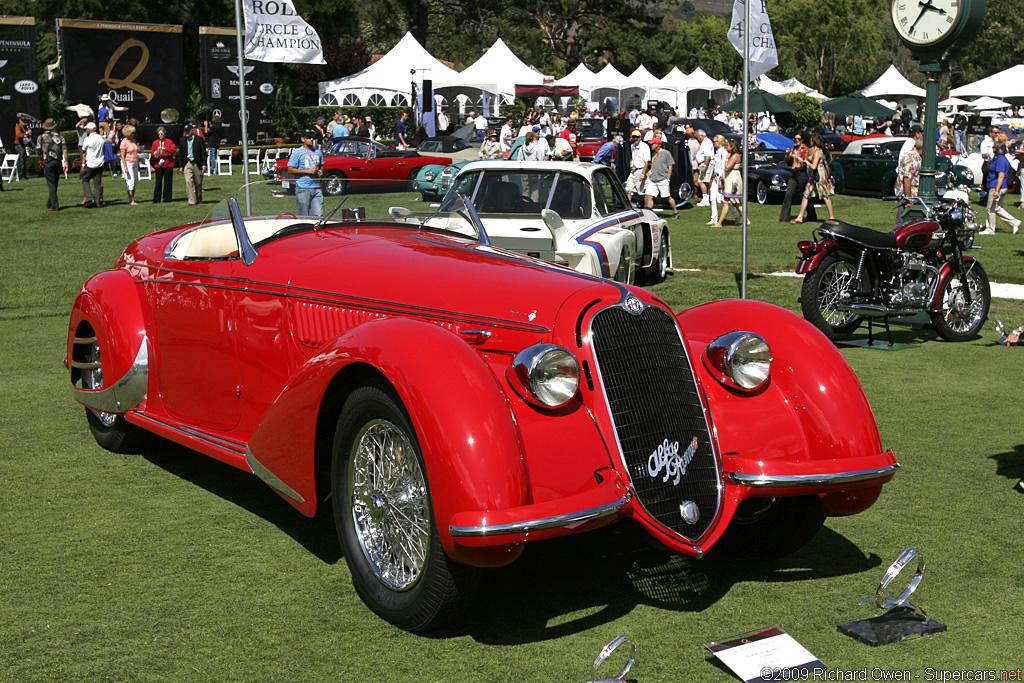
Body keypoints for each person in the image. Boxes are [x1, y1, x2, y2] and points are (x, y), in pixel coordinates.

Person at [980, 141, 1022, 235]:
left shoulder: (1000, 160)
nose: (992, 149)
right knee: (997, 207)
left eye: (994, 147)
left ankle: (990, 229)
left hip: (996, 186)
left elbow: (1001, 176)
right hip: (998, 186)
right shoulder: (999, 159)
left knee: (990, 208)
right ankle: (1014, 222)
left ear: (998, 149)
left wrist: (996, 190)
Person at [793, 132, 835, 223]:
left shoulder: (817, 152)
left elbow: (814, 166)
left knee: (825, 196)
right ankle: (800, 217)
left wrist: (807, 162)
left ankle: (832, 217)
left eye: (811, 140)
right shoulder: (812, 150)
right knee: (806, 195)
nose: (810, 141)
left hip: (819, 177)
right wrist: (801, 160)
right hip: (813, 177)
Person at [780, 131, 817, 223]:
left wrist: (797, 158)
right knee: (789, 193)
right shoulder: (794, 148)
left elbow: (806, 161)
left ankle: (812, 215)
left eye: (798, 139)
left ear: (802, 140)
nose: (796, 141)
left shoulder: (805, 149)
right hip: (793, 173)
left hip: (801, 173)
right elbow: (787, 161)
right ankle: (784, 217)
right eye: (795, 139)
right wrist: (788, 154)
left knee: (805, 195)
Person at [287, 130, 324, 217]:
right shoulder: (297, 153)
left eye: (312, 138)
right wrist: (307, 171)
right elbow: (290, 170)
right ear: (303, 139)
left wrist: (321, 171)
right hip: (303, 188)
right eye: (308, 138)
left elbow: (322, 165)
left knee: (318, 215)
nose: (311, 139)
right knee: (304, 216)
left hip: (317, 188)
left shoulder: (318, 151)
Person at [715, 139, 748, 227]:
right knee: (736, 203)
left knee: (726, 202)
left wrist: (726, 158)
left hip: (733, 181)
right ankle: (746, 221)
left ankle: (719, 223)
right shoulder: (732, 155)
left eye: (728, 146)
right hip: (729, 179)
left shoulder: (735, 156)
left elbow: (727, 167)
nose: (726, 147)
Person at [644, 137, 679, 219]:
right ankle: (650, 214)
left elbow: (670, 166)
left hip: (662, 179)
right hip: (653, 179)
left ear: (658, 144)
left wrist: (668, 178)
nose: (651, 145)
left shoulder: (666, 153)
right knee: (649, 196)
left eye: (653, 144)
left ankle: (675, 211)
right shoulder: (654, 155)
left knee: (667, 197)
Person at [38, 118, 68, 211]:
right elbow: (65, 150)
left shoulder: (41, 137)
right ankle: (50, 201)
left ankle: (55, 205)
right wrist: (66, 162)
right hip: (58, 162)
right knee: (55, 183)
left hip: (48, 162)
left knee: (51, 184)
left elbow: (38, 151)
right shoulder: (60, 137)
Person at [176, 124, 207, 206]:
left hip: (197, 163)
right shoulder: (182, 140)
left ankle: (199, 198)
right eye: (185, 132)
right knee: (188, 181)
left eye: (188, 131)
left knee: (198, 182)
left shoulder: (199, 140)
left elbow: (203, 153)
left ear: (192, 131)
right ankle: (191, 200)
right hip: (187, 163)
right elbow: (181, 154)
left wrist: (204, 164)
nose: (186, 133)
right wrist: (181, 166)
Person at [896, 137, 922, 223]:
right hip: (908, 198)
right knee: (903, 225)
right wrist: (909, 199)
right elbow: (907, 178)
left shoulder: (913, 156)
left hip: (910, 197)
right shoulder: (912, 158)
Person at [79, 122, 105, 208]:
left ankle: (90, 198)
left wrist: (83, 164)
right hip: (100, 163)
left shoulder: (87, 139)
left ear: (89, 130)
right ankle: (97, 201)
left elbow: (83, 151)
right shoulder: (101, 138)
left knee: (84, 179)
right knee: (97, 183)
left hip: (91, 163)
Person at [150, 126, 176, 203]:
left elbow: (173, 149)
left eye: (161, 134)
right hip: (159, 164)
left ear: (164, 134)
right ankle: (156, 198)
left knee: (168, 181)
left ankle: (167, 198)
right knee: (158, 182)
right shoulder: (155, 142)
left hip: (168, 164)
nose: (160, 136)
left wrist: (165, 149)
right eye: (159, 134)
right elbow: (152, 152)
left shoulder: (169, 141)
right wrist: (154, 153)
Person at [624, 130, 650, 203]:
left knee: (642, 192)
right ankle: (628, 207)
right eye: (634, 137)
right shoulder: (632, 146)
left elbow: (647, 161)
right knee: (628, 189)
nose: (635, 138)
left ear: (640, 138)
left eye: (637, 137)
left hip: (641, 170)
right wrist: (631, 162)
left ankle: (646, 208)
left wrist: (643, 173)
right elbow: (633, 157)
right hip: (633, 171)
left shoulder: (645, 146)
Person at [119, 124, 141, 206]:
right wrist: (125, 167)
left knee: (135, 181)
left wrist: (138, 164)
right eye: (132, 133)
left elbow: (136, 152)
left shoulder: (133, 141)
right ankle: (131, 200)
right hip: (128, 162)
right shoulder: (124, 143)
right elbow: (122, 156)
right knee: (130, 181)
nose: (133, 134)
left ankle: (133, 198)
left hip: (135, 162)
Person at [708, 135, 728, 225]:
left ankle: (736, 214)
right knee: (712, 197)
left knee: (720, 199)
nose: (713, 143)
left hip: (720, 177)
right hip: (715, 177)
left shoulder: (723, 152)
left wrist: (721, 179)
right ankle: (714, 218)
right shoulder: (717, 152)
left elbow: (723, 166)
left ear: (719, 142)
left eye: (715, 141)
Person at [695, 129, 714, 207]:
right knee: (705, 181)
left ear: (701, 136)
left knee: (701, 181)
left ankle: (705, 199)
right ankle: (707, 198)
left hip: (706, 163)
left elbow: (707, 156)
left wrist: (705, 165)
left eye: (697, 137)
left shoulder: (707, 142)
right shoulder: (704, 142)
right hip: (703, 163)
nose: (697, 139)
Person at [14, 116, 29, 180]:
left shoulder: (25, 127)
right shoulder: (18, 127)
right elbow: (18, 135)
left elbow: (26, 137)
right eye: (23, 121)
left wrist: (29, 141)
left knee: (23, 160)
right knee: (21, 160)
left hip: (23, 144)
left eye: (25, 121)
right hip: (19, 145)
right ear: (20, 121)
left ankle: (24, 175)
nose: (24, 123)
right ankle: (21, 175)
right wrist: (26, 133)